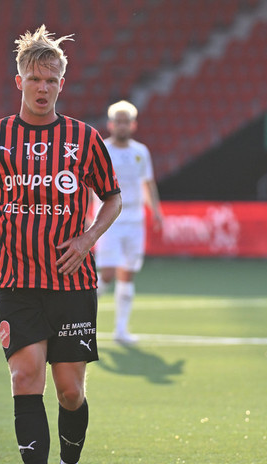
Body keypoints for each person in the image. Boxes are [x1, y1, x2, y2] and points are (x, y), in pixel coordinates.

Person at [0, 25, 122, 464]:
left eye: (51, 80)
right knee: (24, 378)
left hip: (72, 281)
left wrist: (89, 237)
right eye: (35, 79)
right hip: (16, 280)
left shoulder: (84, 139)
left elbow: (113, 198)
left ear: (61, 83)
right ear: (19, 81)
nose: (43, 87)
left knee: (70, 390)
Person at [95, 100, 164, 345]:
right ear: (111, 124)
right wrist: (86, 218)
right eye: (118, 121)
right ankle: (83, 323)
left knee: (128, 274)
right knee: (108, 274)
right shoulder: (101, 149)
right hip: (108, 218)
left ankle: (121, 330)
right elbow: (89, 186)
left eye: (127, 122)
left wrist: (155, 210)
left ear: (133, 125)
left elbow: (147, 182)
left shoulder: (140, 152)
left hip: (135, 219)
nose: (122, 126)